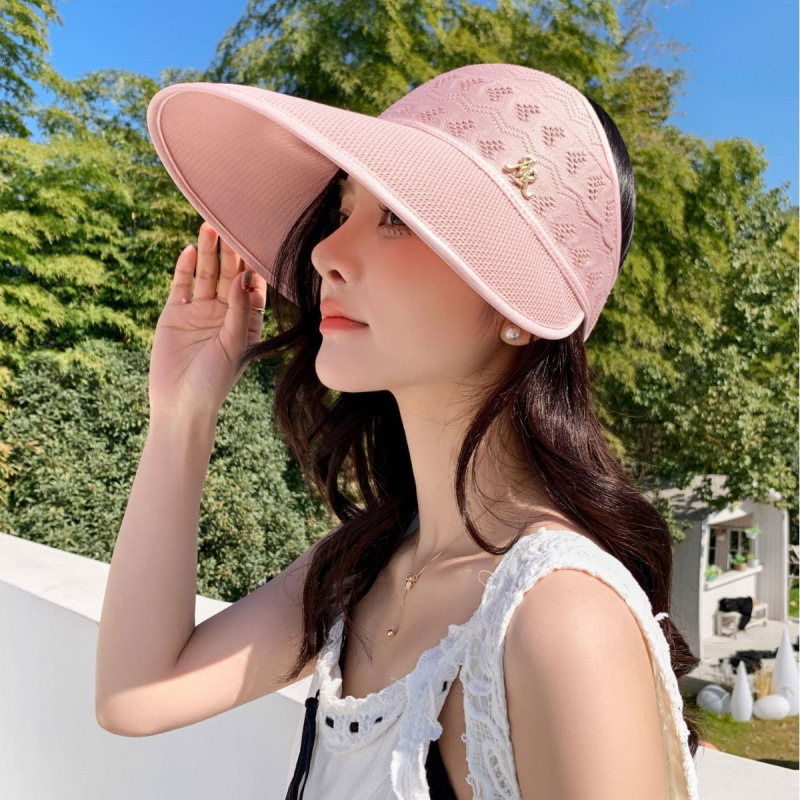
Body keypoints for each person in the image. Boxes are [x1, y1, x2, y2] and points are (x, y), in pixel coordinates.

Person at [96, 63, 703, 799]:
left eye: (398, 219)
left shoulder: (562, 617)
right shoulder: (364, 565)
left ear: (517, 300)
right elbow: (136, 694)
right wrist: (181, 415)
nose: (324, 253)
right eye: (343, 210)